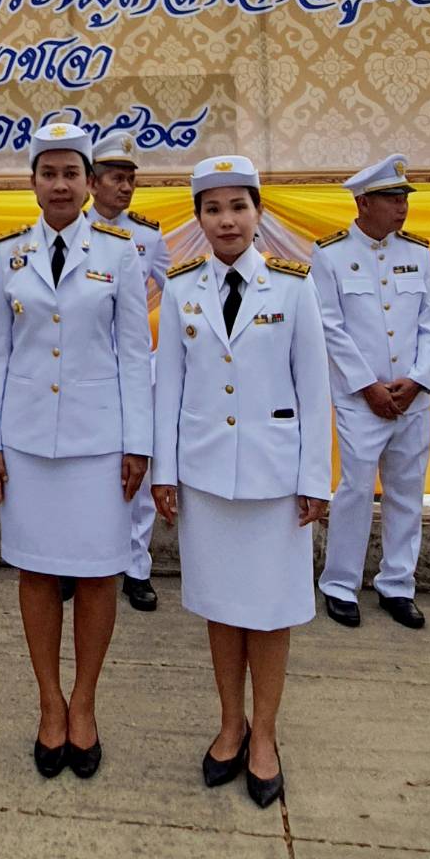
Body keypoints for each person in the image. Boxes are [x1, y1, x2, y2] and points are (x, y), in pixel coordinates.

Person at [152, 155, 331, 807]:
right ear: (198, 218)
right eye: (213, 208)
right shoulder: (182, 288)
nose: (226, 220)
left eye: (237, 206)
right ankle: (231, 723)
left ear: (258, 212)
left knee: (272, 611)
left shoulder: (292, 286)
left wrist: (316, 478)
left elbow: (315, 387)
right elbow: (168, 387)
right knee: (223, 608)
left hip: (275, 480)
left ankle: (266, 735)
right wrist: (164, 472)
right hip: (205, 478)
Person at [0, 122, 152, 780]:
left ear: (89, 182)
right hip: (25, 442)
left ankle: (85, 703)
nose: (59, 184)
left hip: (99, 442)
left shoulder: (120, 252)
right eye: (47, 173)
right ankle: (50, 703)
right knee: (36, 572)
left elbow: (134, 352)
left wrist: (139, 444)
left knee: (101, 573)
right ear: (32, 182)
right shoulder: (7, 254)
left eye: (70, 173)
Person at [313, 155, 430, 630]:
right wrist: (368, 386)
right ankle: (340, 584)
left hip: (412, 398)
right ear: (363, 203)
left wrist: (419, 378)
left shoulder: (418, 253)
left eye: (404, 198)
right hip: (360, 399)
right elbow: (329, 326)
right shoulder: (329, 255)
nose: (401, 207)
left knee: (407, 491)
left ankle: (398, 585)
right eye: (391, 198)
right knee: (355, 488)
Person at [87, 131, 171, 612]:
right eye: (116, 178)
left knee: (140, 468)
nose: (125, 188)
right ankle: (79, 563)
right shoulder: (72, 232)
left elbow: (174, 291)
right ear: (93, 182)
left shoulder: (148, 236)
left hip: (138, 370)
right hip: (87, 370)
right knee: (85, 470)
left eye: (130, 180)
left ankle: (137, 568)